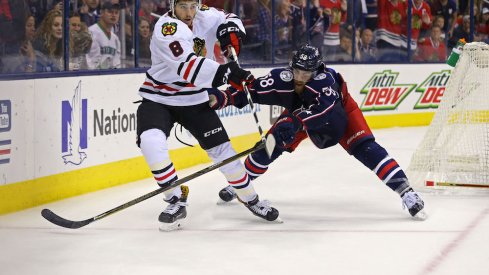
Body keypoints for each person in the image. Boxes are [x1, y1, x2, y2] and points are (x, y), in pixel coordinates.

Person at [209, 45, 427, 220]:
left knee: (367, 149)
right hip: (299, 116)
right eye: (297, 70)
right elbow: (253, 90)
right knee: (269, 146)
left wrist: (294, 123)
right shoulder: (283, 78)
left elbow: (323, 111)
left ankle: (407, 192)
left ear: (317, 70)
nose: (300, 77)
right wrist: (223, 98)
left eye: (306, 72)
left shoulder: (326, 82)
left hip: (339, 113)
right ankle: (240, 185)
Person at [136, 0, 280, 231]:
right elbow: (188, 66)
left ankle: (251, 199)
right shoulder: (167, 28)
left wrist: (230, 31)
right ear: (173, 5)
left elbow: (230, 18)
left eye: (193, 5)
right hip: (159, 98)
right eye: (183, 6)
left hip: (194, 99)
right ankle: (175, 198)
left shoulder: (205, 15)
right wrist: (228, 73)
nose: (189, 13)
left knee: (224, 152)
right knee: (151, 142)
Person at [86, 1, 121, 69]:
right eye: (110, 12)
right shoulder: (91, 32)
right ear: (101, 12)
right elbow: (90, 63)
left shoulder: (116, 39)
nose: (114, 15)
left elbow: (116, 65)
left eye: (116, 13)